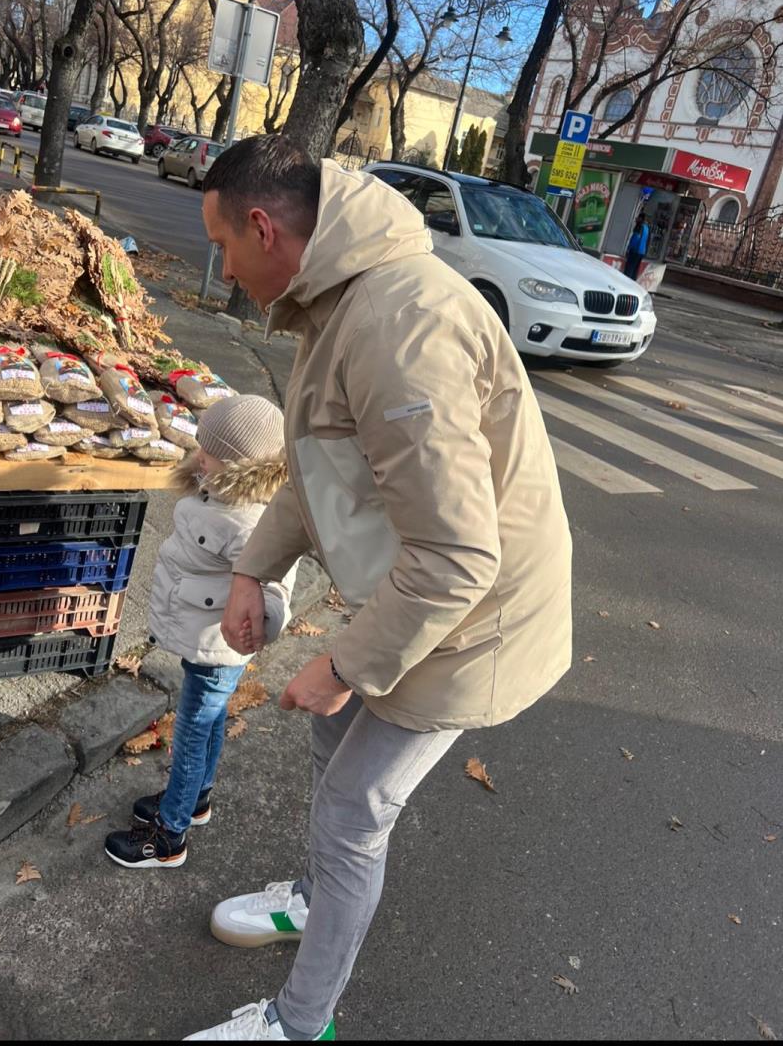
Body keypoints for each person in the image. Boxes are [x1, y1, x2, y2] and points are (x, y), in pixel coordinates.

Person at [184, 136, 573, 1041]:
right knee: (332, 756)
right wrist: (254, 565)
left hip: (473, 621)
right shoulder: (341, 295)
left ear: (261, 227)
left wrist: (344, 667)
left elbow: (457, 558)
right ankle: (315, 900)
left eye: (222, 246)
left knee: (355, 808)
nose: (223, 266)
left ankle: (299, 1024)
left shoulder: (399, 326)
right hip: (423, 594)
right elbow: (314, 461)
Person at [104, 394, 297, 869]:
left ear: (237, 463)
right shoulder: (216, 491)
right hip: (203, 637)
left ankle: (170, 835)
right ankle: (197, 798)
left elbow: (272, 584)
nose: (198, 455)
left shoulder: (251, 519)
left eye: (207, 450)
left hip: (219, 646)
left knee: (192, 732)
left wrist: (261, 620)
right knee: (207, 724)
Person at [624, 211, 650, 279]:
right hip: (641, 252)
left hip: (635, 250)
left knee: (629, 269)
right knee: (635, 270)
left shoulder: (639, 226)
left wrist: (629, 248)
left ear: (641, 218)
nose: (636, 219)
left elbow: (635, 238)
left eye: (638, 217)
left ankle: (626, 283)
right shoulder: (646, 228)